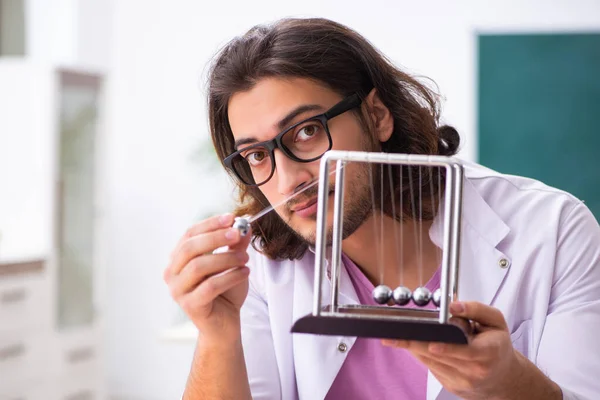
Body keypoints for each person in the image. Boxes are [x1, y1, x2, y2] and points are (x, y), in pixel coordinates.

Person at [163, 17, 600, 400]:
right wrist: (218, 335)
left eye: (306, 131)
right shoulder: (260, 270)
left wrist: (509, 385)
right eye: (257, 155)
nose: (287, 180)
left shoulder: (554, 230)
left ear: (377, 115)